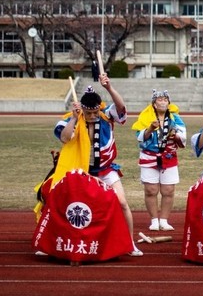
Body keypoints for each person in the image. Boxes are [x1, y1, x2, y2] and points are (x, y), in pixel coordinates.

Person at [54, 74, 142, 256]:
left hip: (106, 170)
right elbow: (64, 137)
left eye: (95, 112)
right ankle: (57, 241)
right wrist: (74, 117)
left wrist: (109, 87)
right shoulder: (73, 119)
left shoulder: (106, 116)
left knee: (122, 203)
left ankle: (130, 243)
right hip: (81, 171)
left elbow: (121, 108)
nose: (93, 116)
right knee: (64, 204)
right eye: (89, 114)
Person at [132, 90, 187, 232]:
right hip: (149, 156)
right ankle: (154, 220)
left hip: (168, 156)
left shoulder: (175, 118)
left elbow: (183, 135)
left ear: (169, 103)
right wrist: (150, 128)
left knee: (168, 190)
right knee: (151, 190)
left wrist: (176, 137)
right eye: (159, 99)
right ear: (154, 104)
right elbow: (139, 137)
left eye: (165, 99)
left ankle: (164, 220)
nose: (162, 102)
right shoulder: (146, 117)